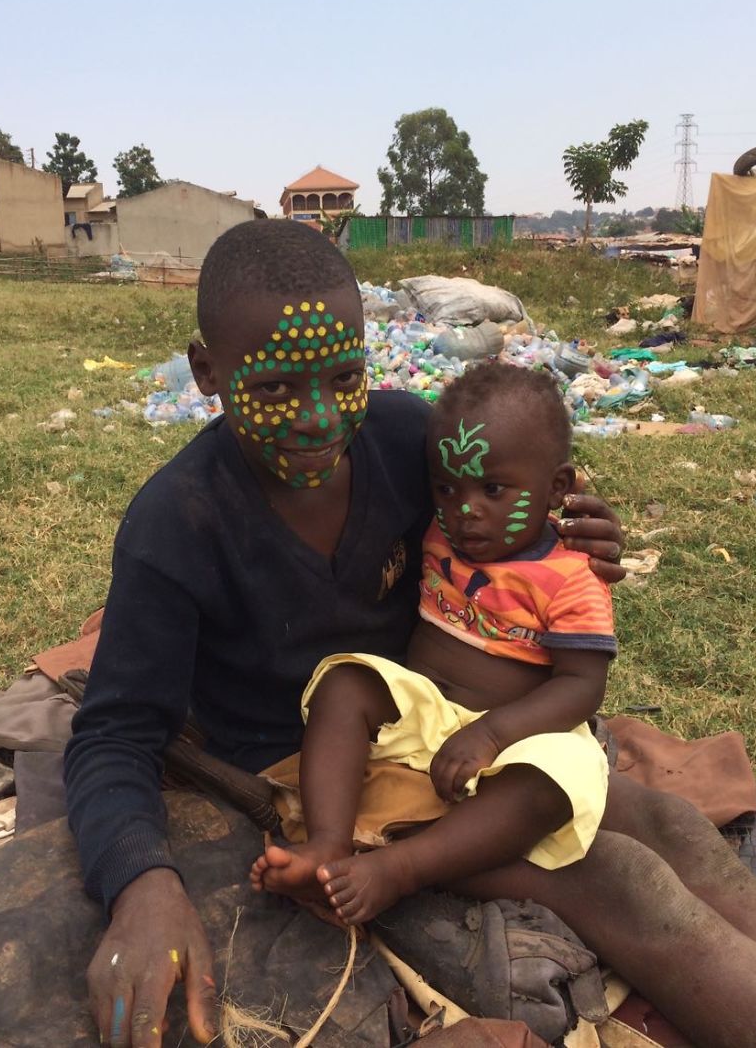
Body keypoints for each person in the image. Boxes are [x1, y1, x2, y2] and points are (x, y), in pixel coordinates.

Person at [64, 220, 756, 1048]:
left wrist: (570, 534)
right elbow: (112, 733)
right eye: (279, 389)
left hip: (433, 729)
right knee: (621, 877)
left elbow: (509, 496)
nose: (319, 417)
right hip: (325, 777)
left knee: (667, 822)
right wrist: (141, 884)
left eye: (345, 376)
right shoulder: (176, 523)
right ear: (207, 372)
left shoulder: (406, 439)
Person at [249, 365, 615, 925]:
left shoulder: (570, 579)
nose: (466, 509)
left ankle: (400, 869)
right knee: (346, 681)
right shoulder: (438, 531)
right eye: (447, 487)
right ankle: (327, 845)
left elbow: (583, 685)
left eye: (493, 490)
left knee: (558, 779)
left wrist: (492, 734)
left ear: (557, 488)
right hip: (421, 713)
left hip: (514, 736)